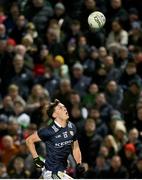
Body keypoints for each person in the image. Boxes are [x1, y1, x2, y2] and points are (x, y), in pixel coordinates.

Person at [26, 99, 85, 179]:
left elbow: (75, 148)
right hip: (52, 173)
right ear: (54, 115)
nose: (64, 109)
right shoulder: (48, 131)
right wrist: (36, 159)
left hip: (60, 171)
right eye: (60, 108)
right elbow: (29, 140)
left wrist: (78, 163)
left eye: (64, 107)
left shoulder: (72, 127)